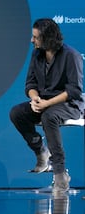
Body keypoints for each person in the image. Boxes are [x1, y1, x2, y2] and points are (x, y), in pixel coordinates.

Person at [9, 18, 83, 194]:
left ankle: (60, 172)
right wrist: (35, 99)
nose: (32, 40)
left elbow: (74, 91)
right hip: (43, 102)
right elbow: (30, 84)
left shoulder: (71, 55)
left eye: (36, 37)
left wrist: (47, 103)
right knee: (17, 113)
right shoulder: (37, 55)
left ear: (48, 38)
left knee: (48, 116)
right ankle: (41, 151)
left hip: (69, 104)